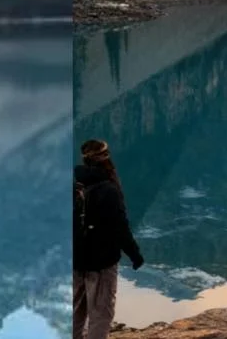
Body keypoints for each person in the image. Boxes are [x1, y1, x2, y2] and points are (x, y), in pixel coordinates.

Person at [73, 139, 143, 339]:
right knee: (101, 313)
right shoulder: (109, 189)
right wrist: (134, 254)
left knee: (75, 310)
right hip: (102, 261)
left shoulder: (76, 186)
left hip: (76, 259)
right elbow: (119, 227)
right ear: (106, 158)